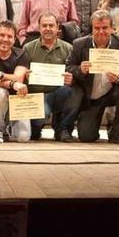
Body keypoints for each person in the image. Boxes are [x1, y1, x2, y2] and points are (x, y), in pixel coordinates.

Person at [67, 10, 119, 144]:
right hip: (91, 97)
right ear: (91, 29)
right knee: (87, 137)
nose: (100, 32)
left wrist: (118, 78)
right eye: (96, 28)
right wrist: (80, 70)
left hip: (112, 91)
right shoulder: (79, 44)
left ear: (112, 28)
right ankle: (91, 123)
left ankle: (117, 132)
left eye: (104, 28)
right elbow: (69, 67)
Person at [22, 13, 77, 142]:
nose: (48, 28)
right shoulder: (28, 48)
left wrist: (71, 78)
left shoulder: (68, 48)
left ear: (58, 28)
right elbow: (20, 73)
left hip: (58, 93)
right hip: (36, 96)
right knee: (33, 134)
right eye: (44, 25)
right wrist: (26, 76)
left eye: (51, 25)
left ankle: (62, 128)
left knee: (72, 91)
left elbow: (74, 70)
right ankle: (36, 127)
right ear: (39, 28)